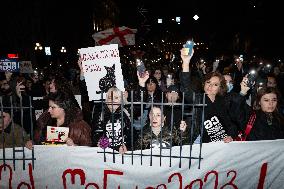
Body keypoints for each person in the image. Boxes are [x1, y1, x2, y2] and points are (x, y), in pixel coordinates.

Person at [180, 48, 237, 143]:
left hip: (222, 144)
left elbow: (232, 124)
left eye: (215, 84)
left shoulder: (224, 102)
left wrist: (230, 136)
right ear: (204, 84)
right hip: (201, 144)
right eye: (208, 82)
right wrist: (186, 62)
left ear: (220, 88)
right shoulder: (198, 99)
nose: (210, 86)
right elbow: (186, 88)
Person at [25, 92, 92, 148]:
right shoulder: (44, 122)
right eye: (49, 107)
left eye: (53, 107)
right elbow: (38, 142)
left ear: (63, 108)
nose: (49, 110)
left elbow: (86, 153)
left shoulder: (80, 127)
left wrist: (74, 146)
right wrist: (32, 143)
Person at [92, 87, 137, 154]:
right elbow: (96, 133)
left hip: (123, 152)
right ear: (106, 100)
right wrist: (100, 141)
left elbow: (131, 135)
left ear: (121, 100)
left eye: (116, 98)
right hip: (106, 153)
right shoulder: (100, 114)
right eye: (110, 98)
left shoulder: (126, 112)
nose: (112, 100)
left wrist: (127, 146)